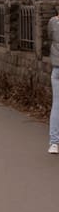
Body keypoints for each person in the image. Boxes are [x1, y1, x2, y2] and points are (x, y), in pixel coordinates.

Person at [49, 12, 59, 154]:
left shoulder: (52, 22)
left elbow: (49, 37)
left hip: (57, 67)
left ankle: (54, 143)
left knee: (56, 105)